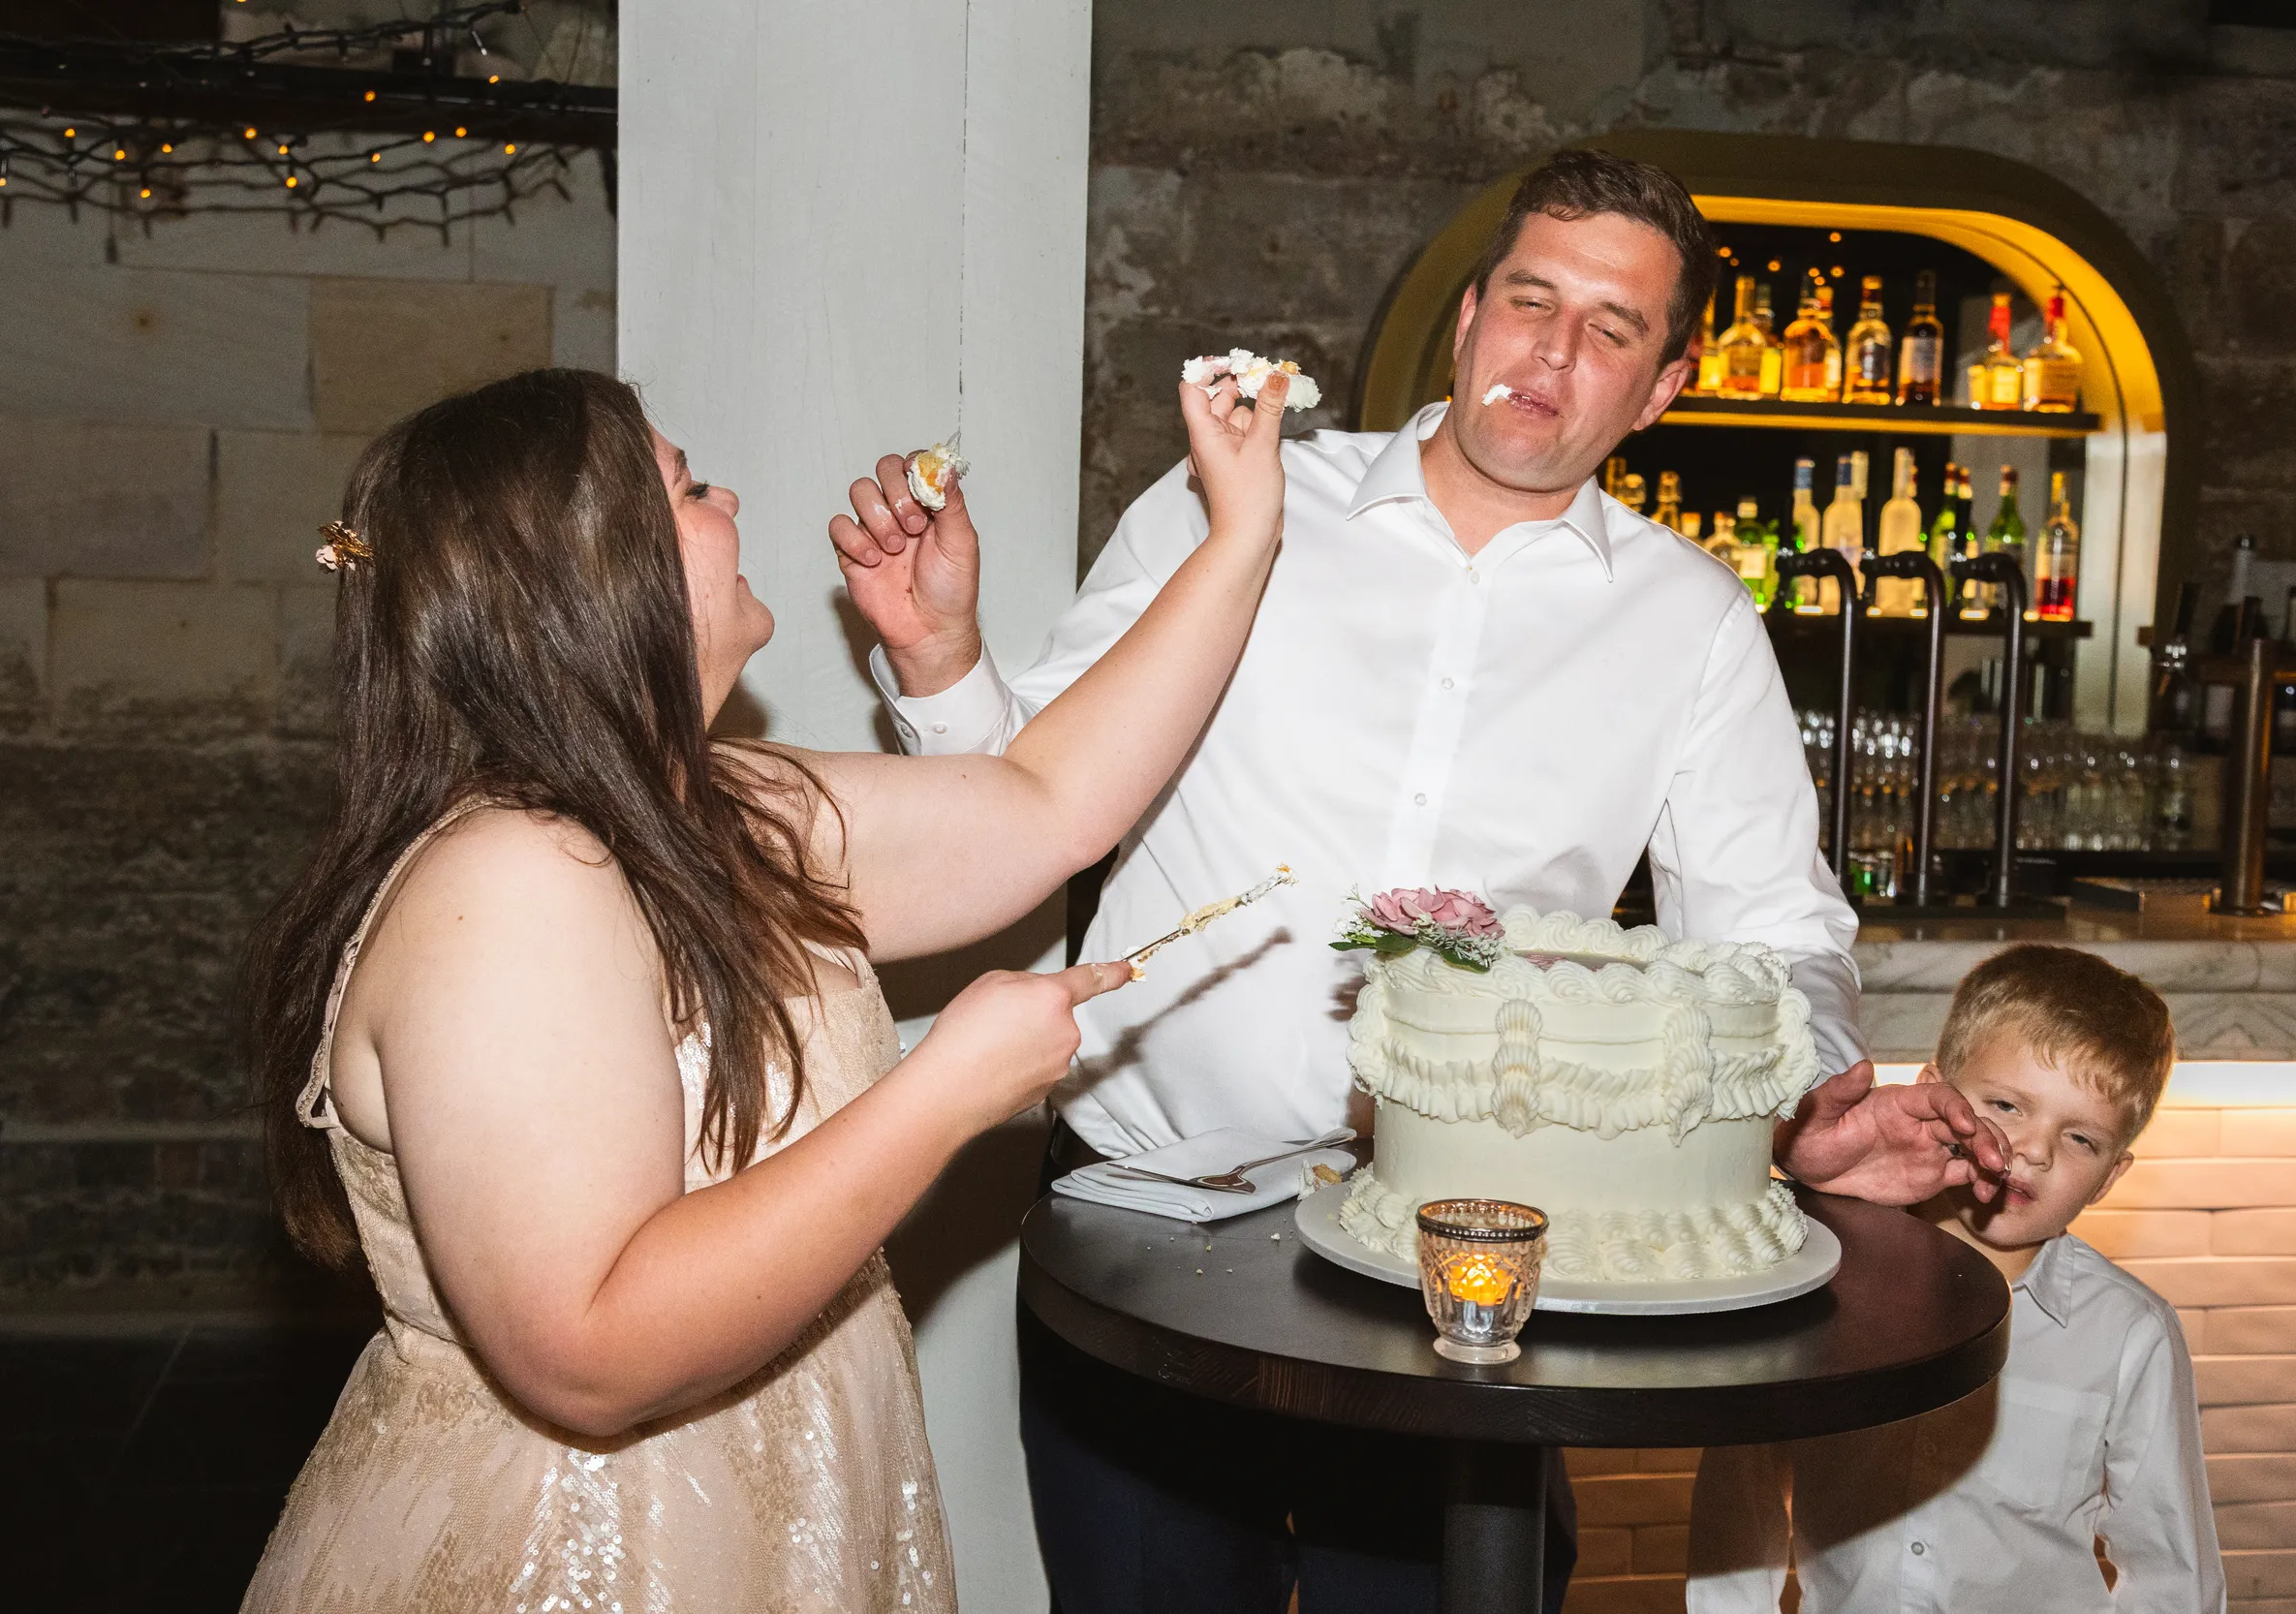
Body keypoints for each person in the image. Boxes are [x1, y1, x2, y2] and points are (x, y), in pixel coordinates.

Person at [828, 148, 2010, 1613]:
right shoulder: (1231, 505)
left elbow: (1773, 931)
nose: (1552, 352)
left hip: (1464, 1272)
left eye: (1610, 328)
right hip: (1144, 1214)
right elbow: (1028, 801)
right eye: (1530, 300)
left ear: (1661, 388)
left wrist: (1810, 1092)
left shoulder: (1692, 622)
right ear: (1467, 315)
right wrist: (941, 658)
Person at [237, 362, 1293, 1611]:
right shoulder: (506, 882)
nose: (728, 500)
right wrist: (942, 1093)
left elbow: (1051, 803)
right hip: (587, 1553)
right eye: (689, 489)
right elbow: (588, 1351)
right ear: (595, 572)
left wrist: (1240, 535)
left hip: (796, 1500)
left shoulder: (716, 804)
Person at [1687, 944, 2226, 1613]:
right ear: (1934, 1095)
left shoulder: (2130, 1333)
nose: (2033, 1150)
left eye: (2081, 1139)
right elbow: (1741, 1495)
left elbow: (2174, 1574)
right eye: (2006, 1105)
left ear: (2110, 1177)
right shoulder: (1817, 1281)